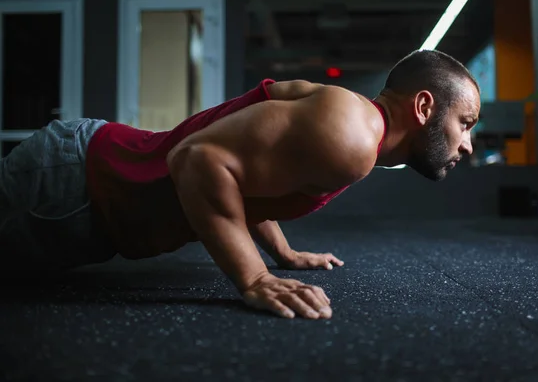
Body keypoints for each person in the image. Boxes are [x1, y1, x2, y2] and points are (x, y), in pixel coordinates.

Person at [0, 49, 480, 320]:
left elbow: (248, 176)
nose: (469, 144)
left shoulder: (349, 122)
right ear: (423, 109)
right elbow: (196, 159)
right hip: (74, 185)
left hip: (84, 186)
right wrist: (254, 278)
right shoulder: (351, 139)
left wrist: (283, 255)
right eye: (466, 122)